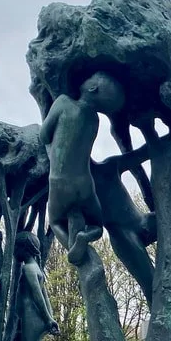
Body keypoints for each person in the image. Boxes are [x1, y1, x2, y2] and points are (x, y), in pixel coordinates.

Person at [41, 72, 125, 264]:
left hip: (59, 182)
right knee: (97, 224)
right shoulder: (94, 120)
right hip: (85, 184)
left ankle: (71, 247)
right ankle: (84, 237)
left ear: (92, 87)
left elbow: (44, 136)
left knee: (55, 222)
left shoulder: (63, 102)